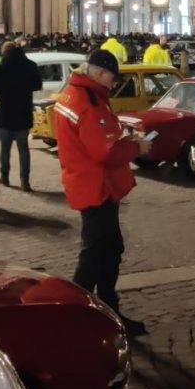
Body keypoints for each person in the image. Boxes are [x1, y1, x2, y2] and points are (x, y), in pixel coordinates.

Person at [54, 49, 152, 336]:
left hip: (87, 181)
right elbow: (104, 152)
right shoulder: (89, 102)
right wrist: (136, 147)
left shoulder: (74, 93)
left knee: (105, 249)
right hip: (97, 186)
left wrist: (122, 136)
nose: (114, 82)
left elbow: (96, 139)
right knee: (98, 253)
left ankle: (99, 310)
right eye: (112, 77)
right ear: (99, 73)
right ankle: (81, 314)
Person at [0, 41, 43, 191]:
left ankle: (5, 177)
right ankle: (24, 181)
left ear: (4, 51)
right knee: (23, 149)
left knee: (5, 149)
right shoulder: (30, 65)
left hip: (6, 111)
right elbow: (37, 85)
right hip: (23, 111)